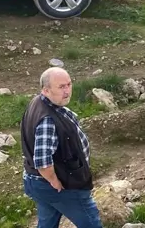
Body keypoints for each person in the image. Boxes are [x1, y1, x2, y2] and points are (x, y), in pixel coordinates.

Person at [21, 68, 102, 228]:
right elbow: (43, 162)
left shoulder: (39, 102)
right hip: (59, 185)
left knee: (47, 222)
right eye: (61, 87)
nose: (67, 91)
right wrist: (54, 182)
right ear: (46, 90)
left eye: (69, 85)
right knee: (91, 223)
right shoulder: (48, 120)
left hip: (36, 181)